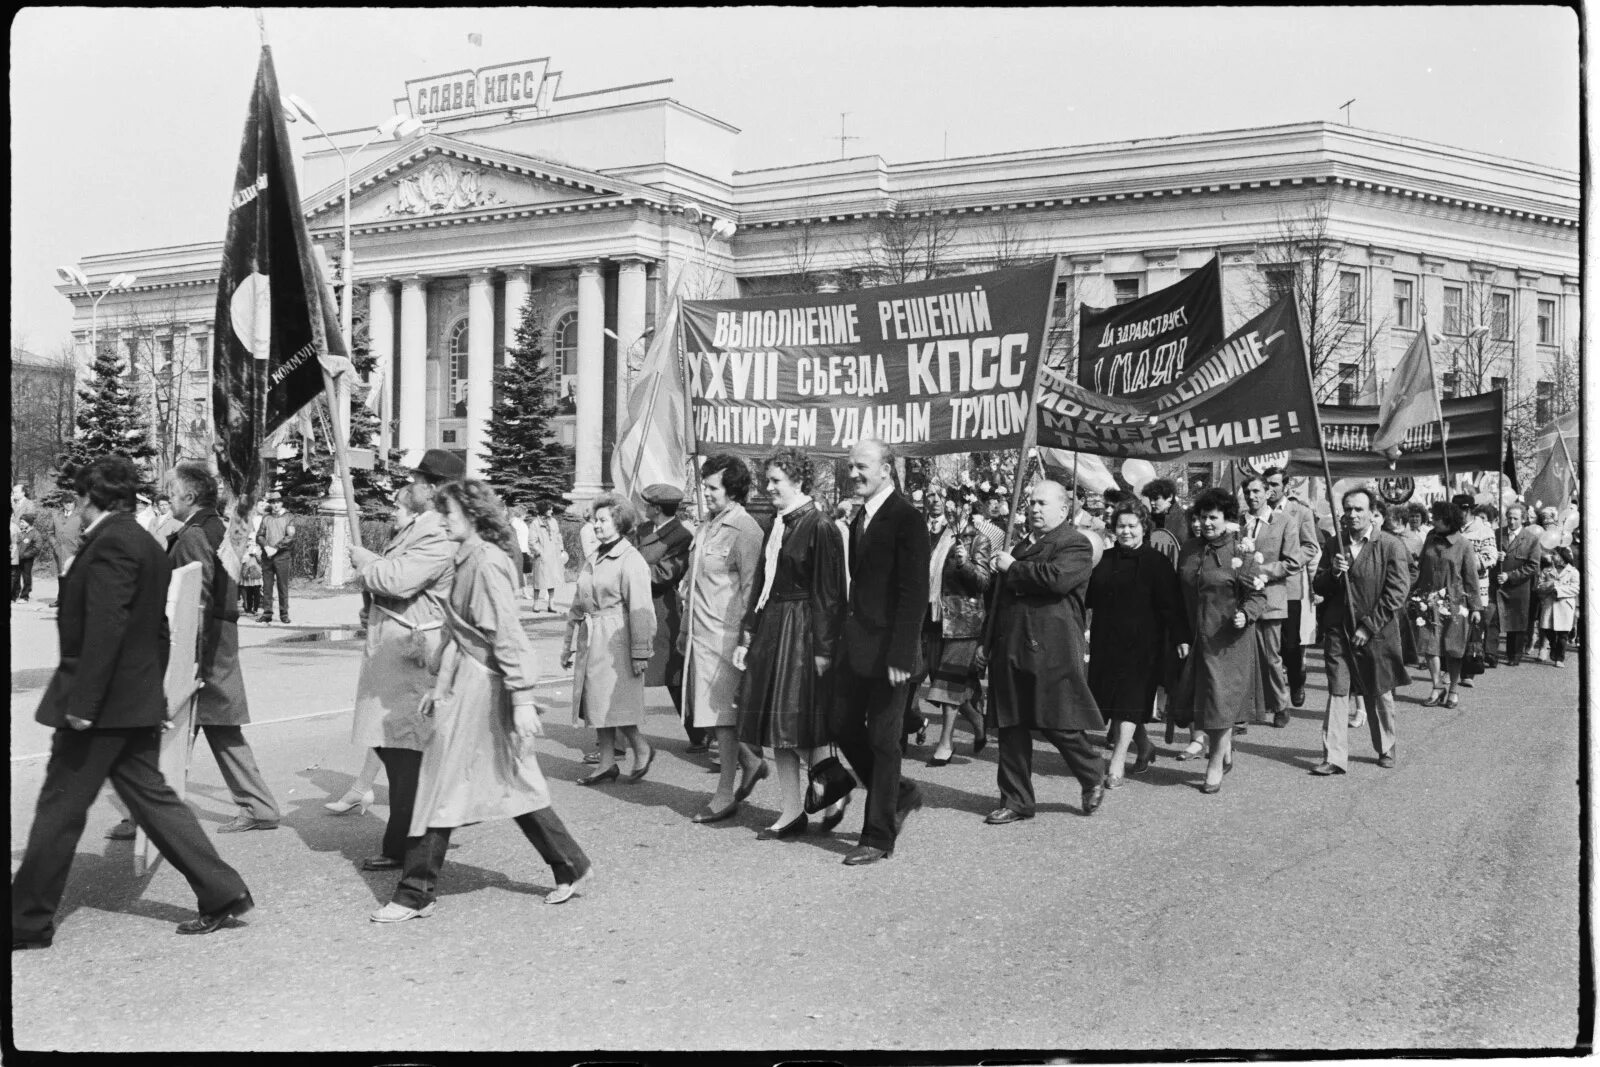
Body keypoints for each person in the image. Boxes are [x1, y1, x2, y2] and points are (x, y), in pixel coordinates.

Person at [12, 455, 254, 948]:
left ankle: (26, 921)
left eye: (75, 499)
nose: (73, 509)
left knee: (59, 810)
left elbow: (107, 628)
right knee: (155, 802)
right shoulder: (142, 542)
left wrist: (84, 703)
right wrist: (155, 692)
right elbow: (158, 630)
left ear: (87, 498)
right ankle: (221, 891)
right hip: (129, 702)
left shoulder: (111, 545)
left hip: (101, 709)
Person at [373, 479, 592, 922]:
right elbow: (458, 632)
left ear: (472, 516)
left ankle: (416, 892)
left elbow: (506, 635)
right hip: (468, 682)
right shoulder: (465, 556)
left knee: (441, 786)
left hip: (484, 685)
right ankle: (571, 863)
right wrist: (438, 686)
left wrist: (523, 698)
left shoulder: (488, 562)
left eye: (449, 513)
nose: (442, 520)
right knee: (510, 780)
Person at [339, 481, 455, 869]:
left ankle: (408, 844)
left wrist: (365, 563)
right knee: (394, 747)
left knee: (405, 748)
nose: (392, 510)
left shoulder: (436, 535)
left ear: (420, 507)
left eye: (398, 505)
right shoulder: (417, 532)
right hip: (394, 647)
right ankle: (407, 838)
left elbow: (399, 579)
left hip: (411, 654)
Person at [733, 449, 846, 840]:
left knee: (797, 723)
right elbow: (764, 586)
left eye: (776, 480)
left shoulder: (820, 526)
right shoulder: (776, 524)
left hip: (803, 633)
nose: (769, 487)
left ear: (798, 481)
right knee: (775, 724)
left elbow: (830, 596)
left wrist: (824, 650)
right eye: (768, 480)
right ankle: (792, 809)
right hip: (774, 628)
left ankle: (833, 787)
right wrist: (748, 633)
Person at [165, 463, 282, 832]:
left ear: (190, 496)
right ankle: (259, 807)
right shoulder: (216, 527)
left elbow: (193, 600)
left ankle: (146, 814)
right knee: (217, 727)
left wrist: (186, 659)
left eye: (172, 491)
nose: (168, 497)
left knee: (168, 727)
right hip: (218, 639)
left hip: (203, 644)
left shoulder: (194, 535)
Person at [984, 479, 1106, 823]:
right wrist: (986, 641)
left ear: (1063, 509)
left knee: (1058, 722)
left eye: (1042, 503)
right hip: (1010, 644)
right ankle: (1016, 800)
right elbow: (997, 601)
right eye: (1031, 503)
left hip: (1050, 646)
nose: (1034, 509)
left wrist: (1013, 568)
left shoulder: (1074, 544)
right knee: (1011, 725)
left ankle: (1091, 770)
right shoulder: (1018, 545)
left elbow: (1056, 580)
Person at [832, 439, 929, 865]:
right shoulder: (860, 517)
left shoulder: (906, 518)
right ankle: (901, 793)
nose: (854, 474)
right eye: (851, 467)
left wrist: (901, 656)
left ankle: (877, 835)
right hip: (857, 648)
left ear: (887, 469)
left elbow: (914, 593)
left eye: (863, 467)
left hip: (892, 653)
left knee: (884, 740)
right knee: (840, 723)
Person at [679, 454, 767, 823]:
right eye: (705, 486)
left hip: (726, 640)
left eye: (712, 487)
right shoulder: (708, 526)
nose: (706, 493)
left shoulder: (745, 530)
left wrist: (746, 642)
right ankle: (752, 762)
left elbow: (752, 593)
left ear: (732, 490)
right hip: (702, 637)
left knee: (724, 720)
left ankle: (724, 793)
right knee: (716, 719)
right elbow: (695, 582)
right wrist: (685, 629)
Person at [1310, 486, 1410, 775]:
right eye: (1348, 509)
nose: (1353, 515)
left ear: (1372, 513)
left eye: (1359, 509)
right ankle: (1334, 756)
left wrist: (1369, 625)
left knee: (1378, 691)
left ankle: (1386, 746)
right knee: (1338, 690)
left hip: (1375, 632)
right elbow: (1319, 586)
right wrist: (1334, 573)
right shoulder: (1334, 544)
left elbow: (1397, 591)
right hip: (1338, 630)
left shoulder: (1390, 545)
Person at [1174, 487, 1267, 795]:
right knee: (1201, 700)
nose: (1206, 523)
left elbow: (1257, 596)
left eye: (1213, 517)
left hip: (1228, 641)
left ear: (1228, 519)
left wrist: (1246, 614)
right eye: (1202, 517)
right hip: (1195, 638)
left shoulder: (1241, 552)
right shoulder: (1189, 549)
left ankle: (1214, 764)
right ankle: (1223, 750)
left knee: (1220, 702)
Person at [1087, 500, 1187, 788]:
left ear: (1145, 527)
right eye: (1121, 525)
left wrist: (1180, 636)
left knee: (1129, 700)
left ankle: (1117, 761)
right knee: (1114, 699)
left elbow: (1172, 605)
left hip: (1143, 643)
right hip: (1106, 640)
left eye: (1133, 525)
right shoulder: (1103, 559)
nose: (1127, 531)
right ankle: (1144, 746)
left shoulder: (1157, 562)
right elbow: (1088, 597)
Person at [563, 493, 657, 786]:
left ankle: (640, 747)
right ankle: (606, 763)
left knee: (613, 702)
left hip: (616, 639)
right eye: (595, 520)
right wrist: (567, 644)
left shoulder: (631, 560)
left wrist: (640, 651)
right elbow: (578, 604)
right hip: (592, 638)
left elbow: (642, 609)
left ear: (619, 521)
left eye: (603, 520)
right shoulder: (595, 557)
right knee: (595, 702)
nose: (596, 525)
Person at [918, 486, 992, 766]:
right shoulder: (925, 534)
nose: (935, 502)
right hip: (929, 617)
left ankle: (945, 742)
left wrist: (965, 564)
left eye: (941, 497)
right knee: (939, 676)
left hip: (962, 620)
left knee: (948, 679)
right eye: (930, 496)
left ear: (960, 504)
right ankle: (977, 719)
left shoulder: (976, 539)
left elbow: (983, 582)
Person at [1240, 474, 1308, 729]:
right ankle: (1245, 710)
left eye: (1257, 491)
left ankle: (1280, 705)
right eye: (1248, 492)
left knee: (1271, 657)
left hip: (1271, 598)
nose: (1252, 496)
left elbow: (1292, 561)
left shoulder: (1284, 521)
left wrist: (1263, 572)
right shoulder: (1239, 523)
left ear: (1268, 492)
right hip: (1244, 600)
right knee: (1244, 657)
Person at [636, 484, 697, 749]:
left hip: (662, 610)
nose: (644, 508)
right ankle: (615, 738)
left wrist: (629, 573)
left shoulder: (681, 535)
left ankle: (700, 734)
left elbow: (665, 574)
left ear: (657, 508)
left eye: (647, 504)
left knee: (674, 676)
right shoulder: (642, 529)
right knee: (627, 674)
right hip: (636, 607)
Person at [1411, 500, 1482, 709]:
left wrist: (1476, 608)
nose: (1432, 520)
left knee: (1453, 649)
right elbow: (1421, 567)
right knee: (1429, 645)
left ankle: (1453, 690)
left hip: (1455, 603)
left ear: (1449, 520)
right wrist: (1412, 595)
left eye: (1437, 517)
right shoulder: (1430, 538)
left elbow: (1471, 578)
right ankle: (1436, 686)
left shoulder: (1464, 545)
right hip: (1427, 601)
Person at [1261, 468, 1321, 710]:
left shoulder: (1300, 511)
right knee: (1266, 645)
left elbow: (1311, 547)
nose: (1269, 489)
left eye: (1275, 484)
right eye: (1266, 484)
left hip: (1289, 586)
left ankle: (1296, 681)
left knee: (1290, 645)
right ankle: (1272, 697)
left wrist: (1288, 562)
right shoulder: (1256, 513)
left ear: (1285, 486)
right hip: (1260, 586)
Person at [1497, 503, 1542, 666]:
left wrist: (1510, 576)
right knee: (1495, 619)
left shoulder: (1531, 539)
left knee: (1517, 621)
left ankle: (1514, 655)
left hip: (1519, 586)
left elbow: (1533, 565)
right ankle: (1490, 654)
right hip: (1498, 585)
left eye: (1515, 518)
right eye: (1509, 518)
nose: (1511, 521)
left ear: (1523, 519)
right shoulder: (1497, 534)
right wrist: (1496, 557)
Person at [255, 493, 296, 624]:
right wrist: (266, 547)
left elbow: (290, 537)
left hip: (282, 556)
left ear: (281, 503)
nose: (275, 505)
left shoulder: (289, 517)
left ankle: (284, 614)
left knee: (282, 586)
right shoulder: (266, 518)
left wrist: (276, 548)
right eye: (273, 502)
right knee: (267, 586)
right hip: (267, 556)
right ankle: (267, 613)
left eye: (278, 502)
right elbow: (259, 535)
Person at [1537, 546, 1579, 668]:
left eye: (1554, 554)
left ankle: (1559, 658)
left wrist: (1558, 590)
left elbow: (1575, 588)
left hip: (1565, 605)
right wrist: (1550, 585)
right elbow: (1539, 586)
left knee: (1563, 634)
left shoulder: (1573, 572)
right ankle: (1553, 647)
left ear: (1562, 557)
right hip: (1549, 604)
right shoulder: (1546, 570)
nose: (1552, 556)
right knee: (1548, 630)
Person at [528, 501, 567, 613]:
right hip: (542, 557)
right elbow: (532, 541)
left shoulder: (553, 522)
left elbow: (558, 536)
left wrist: (561, 549)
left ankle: (551, 604)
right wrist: (539, 553)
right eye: (549, 509)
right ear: (544, 510)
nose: (552, 511)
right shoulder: (535, 523)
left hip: (553, 556)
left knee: (552, 581)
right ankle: (535, 604)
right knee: (538, 582)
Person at [236, 496, 264, 617]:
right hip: (245, 561)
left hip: (255, 563)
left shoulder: (255, 531)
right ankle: (247, 606)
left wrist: (256, 551)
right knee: (244, 586)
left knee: (255, 587)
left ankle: (254, 607)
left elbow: (259, 544)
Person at [1140, 477, 1190, 544]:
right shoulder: (1149, 518)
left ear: (1170, 497)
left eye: (1155, 499)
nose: (1152, 503)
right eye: (1150, 499)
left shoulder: (1183, 517)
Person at [13, 515, 41, 602]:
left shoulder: (35, 533)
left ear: (28, 523)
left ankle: (25, 596)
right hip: (17, 558)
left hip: (27, 559)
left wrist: (25, 555)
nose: (20, 524)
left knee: (26, 577)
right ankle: (14, 595)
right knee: (15, 577)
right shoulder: (20, 531)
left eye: (22, 522)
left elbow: (37, 547)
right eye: (20, 521)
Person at [508, 504, 532, 598]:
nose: (526, 514)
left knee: (525, 572)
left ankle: (524, 592)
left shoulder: (523, 523)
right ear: (521, 513)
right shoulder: (514, 521)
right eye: (525, 512)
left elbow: (526, 538)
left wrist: (528, 549)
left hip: (524, 550)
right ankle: (515, 592)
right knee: (517, 572)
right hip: (517, 550)